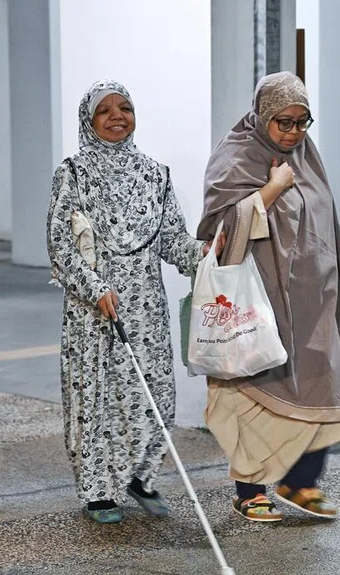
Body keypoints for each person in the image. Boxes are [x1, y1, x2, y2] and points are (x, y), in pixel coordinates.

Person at [47, 80, 222, 524]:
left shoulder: (155, 174)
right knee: (98, 397)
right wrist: (93, 287)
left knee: (153, 395)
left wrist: (201, 254)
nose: (116, 116)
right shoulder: (74, 173)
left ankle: (139, 477)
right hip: (95, 308)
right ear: (88, 121)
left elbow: (169, 240)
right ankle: (99, 491)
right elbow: (60, 243)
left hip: (145, 306)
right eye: (104, 110)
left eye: (124, 107)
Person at [198, 72, 340, 523]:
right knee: (256, 388)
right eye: (283, 122)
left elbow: (325, 222)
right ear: (263, 115)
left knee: (320, 384)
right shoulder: (238, 155)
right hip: (260, 298)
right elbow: (220, 227)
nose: (292, 132)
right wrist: (273, 188)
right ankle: (249, 488)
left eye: (302, 122)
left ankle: (301, 481)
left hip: (313, 296)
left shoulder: (308, 155)